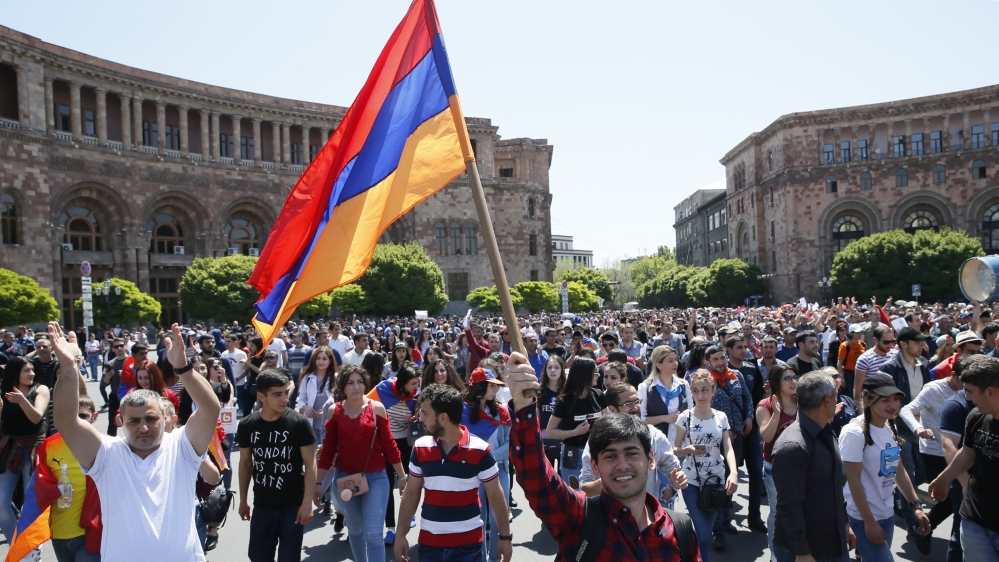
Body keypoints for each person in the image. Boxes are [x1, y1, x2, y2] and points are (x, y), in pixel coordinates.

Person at [503, 351, 700, 561]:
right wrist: (524, 406)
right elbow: (538, 480)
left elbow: (671, 465)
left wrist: (674, 479)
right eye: (610, 457)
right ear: (595, 466)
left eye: (632, 453)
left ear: (651, 458)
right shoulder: (579, 519)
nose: (622, 464)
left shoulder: (680, 528)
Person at [49, 322, 220, 561]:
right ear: (119, 421)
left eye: (151, 419)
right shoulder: (105, 454)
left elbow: (210, 409)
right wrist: (68, 369)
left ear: (166, 417)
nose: (143, 427)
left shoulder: (182, 447)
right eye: (134, 421)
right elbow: (66, 421)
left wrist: (182, 368)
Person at [392, 384, 510, 562]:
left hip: (468, 548)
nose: (420, 418)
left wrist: (504, 537)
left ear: (443, 418)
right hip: (429, 547)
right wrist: (400, 535)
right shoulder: (420, 448)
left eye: (424, 412)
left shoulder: (481, 451)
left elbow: (496, 496)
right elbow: (411, 494)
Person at [317, 365, 404, 562]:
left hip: (376, 477)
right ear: (343, 387)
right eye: (350, 383)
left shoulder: (377, 408)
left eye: (360, 382)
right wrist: (318, 485)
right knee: (355, 530)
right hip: (345, 478)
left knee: (373, 534)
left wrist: (402, 476)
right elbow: (328, 451)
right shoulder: (334, 411)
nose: (356, 387)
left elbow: (389, 445)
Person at [840, 373, 930, 561]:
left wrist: (916, 506)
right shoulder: (854, 432)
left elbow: (898, 470)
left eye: (896, 399)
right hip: (863, 517)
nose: (893, 405)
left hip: (886, 513)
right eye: (885, 400)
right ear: (868, 400)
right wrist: (869, 522)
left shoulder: (889, 427)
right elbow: (853, 481)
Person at [771, 371, 855, 562]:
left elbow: (834, 485)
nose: (837, 400)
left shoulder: (826, 431)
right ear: (827, 400)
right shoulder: (793, 447)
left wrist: (844, 524)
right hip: (806, 551)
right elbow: (789, 505)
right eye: (836, 395)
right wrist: (802, 552)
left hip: (833, 542)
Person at [237, 368, 316, 562]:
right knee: (258, 557)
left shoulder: (298, 423)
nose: (284, 399)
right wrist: (243, 499)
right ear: (261, 396)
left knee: (289, 558)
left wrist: (307, 503)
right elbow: (246, 463)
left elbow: (310, 463)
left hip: (292, 506)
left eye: (286, 393)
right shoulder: (247, 425)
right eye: (277, 394)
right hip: (262, 505)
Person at [928, 355, 999, 562]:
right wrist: (943, 479)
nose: (966, 397)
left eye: (970, 391)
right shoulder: (976, 417)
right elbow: (967, 453)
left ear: (991, 392)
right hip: (975, 519)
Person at [580, 382, 687, 506]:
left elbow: (672, 469)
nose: (635, 407)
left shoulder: (654, 436)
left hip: (645, 515)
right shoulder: (599, 438)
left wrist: (677, 479)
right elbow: (585, 489)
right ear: (613, 409)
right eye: (628, 404)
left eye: (637, 401)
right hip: (609, 516)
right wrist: (613, 479)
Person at [899, 353, 963, 558]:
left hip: (961, 452)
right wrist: (918, 429)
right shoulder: (934, 389)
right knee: (952, 499)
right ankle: (926, 528)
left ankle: (952, 539)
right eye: (964, 380)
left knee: (959, 499)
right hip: (934, 452)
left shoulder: (970, 392)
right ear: (954, 375)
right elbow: (907, 410)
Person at [673, 369, 739, 561]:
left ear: (713, 391)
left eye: (704, 390)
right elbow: (675, 449)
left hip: (716, 481)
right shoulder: (684, 417)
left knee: (706, 532)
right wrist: (689, 450)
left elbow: (727, 448)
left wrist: (733, 473)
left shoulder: (721, 417)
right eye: (695, 391)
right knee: (702, 534)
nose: (700, 395)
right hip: (692, 482)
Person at [36, 395, 102, 562]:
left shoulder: (106, 445)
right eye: (70, 417)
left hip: (92, 534)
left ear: (94, 417)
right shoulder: (48, 446)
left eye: (82, 416)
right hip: (59, 533)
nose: (75, 423)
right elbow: (37, 486)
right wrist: (52, 490)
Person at [0, 356, 51, 549]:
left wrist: (22, 400)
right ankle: (18, 545)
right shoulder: (4, 393)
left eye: (32, 370)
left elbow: (36, 417)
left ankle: (31, 546)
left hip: (33, 446)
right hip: (9, 448)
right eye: (26, 371)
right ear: (15, 373)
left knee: (29, 501)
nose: (31, 373)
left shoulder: (40, 390)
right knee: (1, 503)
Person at [366, 361, 420, 544]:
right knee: (387, 485)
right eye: (413, 383)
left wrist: (414, 417)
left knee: (408, 484)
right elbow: (366, 408)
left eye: (417, 383)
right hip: (384, 444)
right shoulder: (382, 389)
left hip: (407, 443)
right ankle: (390, 528)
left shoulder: (416, 396)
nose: (416, 387)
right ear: (402, 382)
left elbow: (421, 415)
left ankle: (408, 514)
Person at [461, 367, 512, 562]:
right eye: (492, 386)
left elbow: (510, 444)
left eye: (496, 386)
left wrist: (485, 457)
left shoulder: (501, 411)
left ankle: (494, 559)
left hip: (499, 472)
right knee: (478, 520)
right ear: (480, 387)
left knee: (499, 519)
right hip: (473, 474)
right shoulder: (463, 411)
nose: (495, 390)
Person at [755, 363, 798, 557]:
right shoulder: (765, 406)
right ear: (776, 382)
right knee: (778, 510)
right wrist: (777, 414)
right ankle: (775, 552)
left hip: (800, 465)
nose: (793, 382)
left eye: (794, 377)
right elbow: (767, 436)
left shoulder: (802, 401)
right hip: (775, 466)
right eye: (787, 378)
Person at [545, 356, 607, 488]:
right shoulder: (564, 401)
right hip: (573, 454)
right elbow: (551, 432)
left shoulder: (599, 395)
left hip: (596, 453)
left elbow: (607, 422)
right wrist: (574, 432)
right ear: (585, 375)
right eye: (595, 372)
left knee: (596, 496)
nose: (598, 375)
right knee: (576, 496)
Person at [298, 346, 337, 444]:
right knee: (316, 456)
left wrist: (327, 410)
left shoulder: (336, 378)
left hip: (331, 425)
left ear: (330, 361)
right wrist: (306, 408)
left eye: (324, 359)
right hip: (313, 425)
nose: (321, 362)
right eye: (318, 358)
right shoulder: (307, 377)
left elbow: (340, 400)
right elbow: (301, 398)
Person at [853, 325, 897, 403]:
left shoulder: (895, 355)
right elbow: (858, 388)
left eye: (893, 341)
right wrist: (861, 411)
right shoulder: (865, 359)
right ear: (876, 340)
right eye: (886, 342)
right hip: (873, 404)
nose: (890, 345)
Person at [538, 355, 566, 470]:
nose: (553, 370)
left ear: (562, 370)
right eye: (550, 367)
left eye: (556, 367)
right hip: (544, 441)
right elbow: (537, 420)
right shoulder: (539, 392)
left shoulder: (567, 392)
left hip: (564, 441)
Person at [837, 324, 866, 392]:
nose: (860, 334)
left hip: (860, 372)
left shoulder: (863, 344)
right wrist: (841, 377)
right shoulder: (845, 345)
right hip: (848, 374)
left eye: (861, 332)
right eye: (857, 333)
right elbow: (840, 362)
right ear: (851, 333)